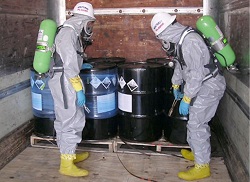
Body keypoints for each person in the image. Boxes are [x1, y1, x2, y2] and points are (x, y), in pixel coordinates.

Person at [151, 12, 226, 181]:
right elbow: (180, 64)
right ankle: (198, 153)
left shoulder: (190, 41)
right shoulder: (181, 40)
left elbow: (196, 74)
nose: (162, 41)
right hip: (201, 85)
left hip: (210, 86)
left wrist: (187, 98)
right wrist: (176, 84)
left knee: (197, 123)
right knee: (194, 121)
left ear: (166, 32)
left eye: (161, 37)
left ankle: (202, 166)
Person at [48, 2, 95, 177]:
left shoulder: (70, 31)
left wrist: (81, 63)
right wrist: (78, 88)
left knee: (65, 118)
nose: (90, 27)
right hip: (65, 81)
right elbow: (68, 64)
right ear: (83, 20)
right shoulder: (68, 32)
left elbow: (70, 58)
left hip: (64, 78)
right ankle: (66, 165)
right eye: (90, 23)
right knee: (71, 119)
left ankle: (69, 153)